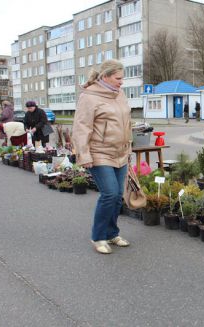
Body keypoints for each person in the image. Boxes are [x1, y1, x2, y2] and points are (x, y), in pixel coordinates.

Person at [72, 59, 132, 255]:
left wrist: (128, 147)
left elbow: (127, 123)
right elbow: (81, 128)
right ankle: (98, 237)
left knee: (117, 198)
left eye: (122, 78)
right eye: (118, 78)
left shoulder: (119, 94)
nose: (121, 82)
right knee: (110, 194)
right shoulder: (89, 97)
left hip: (120, 152)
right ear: (105, 76)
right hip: (99, 153)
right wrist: (84, 155)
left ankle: (112, 233)